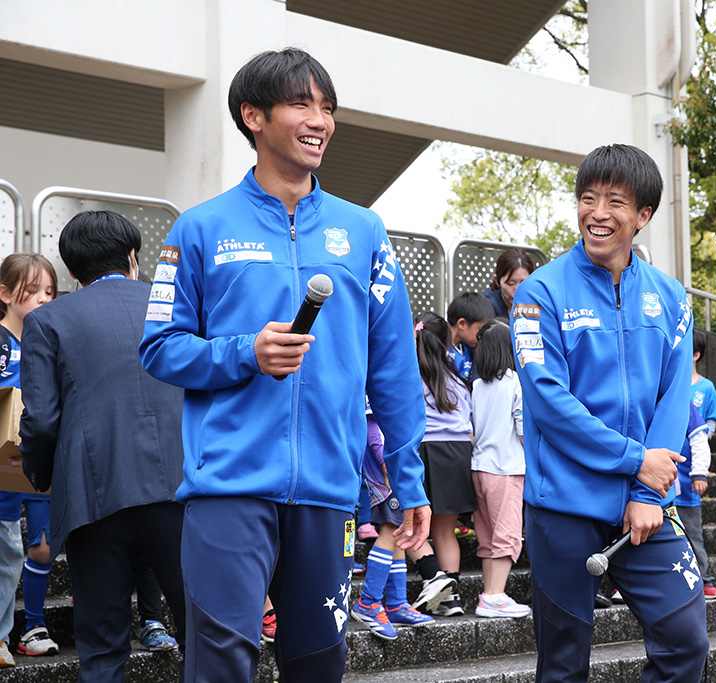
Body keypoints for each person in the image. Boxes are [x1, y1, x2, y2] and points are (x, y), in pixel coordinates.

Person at [138, 48, 431, 682]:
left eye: (327, 108)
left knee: (318, 665)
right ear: (254, 116)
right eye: (301, 104)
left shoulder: (364, 231)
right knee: (220, 665)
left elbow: (394, 369)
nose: (319, 121)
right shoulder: (199, 228)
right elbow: (159, 347)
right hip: (227, 488)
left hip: (330, 488)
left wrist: (408, 480)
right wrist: (246, 352)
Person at [512, 143, 709, 682]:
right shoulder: (538, 291)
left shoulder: (672, 297)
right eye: (588, 198)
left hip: (646, 507)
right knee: (563, 664)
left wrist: (647, 491)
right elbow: (548, 401)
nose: (597, 213)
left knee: (685, 642)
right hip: (563, 506)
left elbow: (674, 398)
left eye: (615, 201)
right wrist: (635, 461)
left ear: (643, 215)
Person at [17, 211, 187, 682]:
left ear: (72, 270)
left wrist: (40, 476)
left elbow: (41, 420)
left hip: (94, 494)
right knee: (204, 633)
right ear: (133, 257)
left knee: (102, 647)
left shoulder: (47, 319)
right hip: (183, 488)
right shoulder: (177, 306)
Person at [0, 253, 58, 666]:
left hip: (36, 464)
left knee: (18, 553)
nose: (43, 299)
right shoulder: (2, 343)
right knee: (7, 550)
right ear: (4, 294)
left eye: (50, 292)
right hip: (5, 466)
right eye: (33, 290)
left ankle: (8, 635)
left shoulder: (48, 342)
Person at [405, 312, 473, 617]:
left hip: (425, 450)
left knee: (409, 525)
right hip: (459, 453)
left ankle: (434, 576)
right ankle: (451, 597)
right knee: (445, 531)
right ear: (446, 344)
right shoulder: (458, 379)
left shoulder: (410, 377)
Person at [351, 408, 435, 639]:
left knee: (398, 532)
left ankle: (397, 603)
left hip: (396, 467)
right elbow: (372, 426)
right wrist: (387, 464)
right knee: (391, 531)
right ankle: (369, 600)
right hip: (390, 471)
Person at [470, 319, 530, 618]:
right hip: (506, 468)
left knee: (487, 536)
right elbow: (522, 430)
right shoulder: (516, 383)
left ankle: (490, 594)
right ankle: (494, 596)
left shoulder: (476, 386)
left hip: (478, 467)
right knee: (507, 535)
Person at [672, 403, 716, 600]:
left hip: (684, 488)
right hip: (649, 490)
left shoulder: (683, 402)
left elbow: (699, 438)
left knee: (692, 536)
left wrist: (699, 472)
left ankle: (702, 579)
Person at [446, 291, 493, 381]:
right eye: (480, 329)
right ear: (462, 324)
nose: (482, 335)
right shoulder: (441, 349)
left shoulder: (466, 351)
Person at [482, 249, 536, 320]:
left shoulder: (538, 302)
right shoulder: (486, 307)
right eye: (511, 283)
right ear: (497, 281)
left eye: (524, 284)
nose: (517, 290)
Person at [691, 331, 716, 439]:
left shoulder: (707, 387)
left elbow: (712, 418)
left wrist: (704, 439)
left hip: (697, 446)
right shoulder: (671, 385)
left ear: (695, 355)